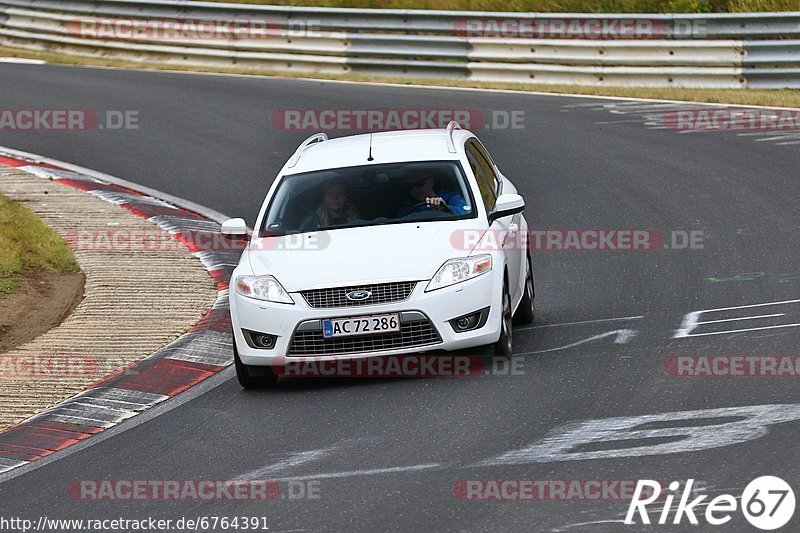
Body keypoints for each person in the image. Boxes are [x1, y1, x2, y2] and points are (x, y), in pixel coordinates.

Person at [396, 169, 468, 217]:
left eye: (419, 183)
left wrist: (445, 208)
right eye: (410, 186)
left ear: (431, 181)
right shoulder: (405, 208)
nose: (415, 189)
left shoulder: (452, 197)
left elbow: (465, 212)